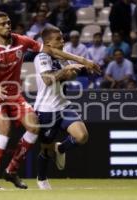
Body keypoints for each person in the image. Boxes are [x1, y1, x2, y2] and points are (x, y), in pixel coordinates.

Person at [0, 11, 100, 190]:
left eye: (9, 22)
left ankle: (11, 171)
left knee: (34, 127)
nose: (7, 26)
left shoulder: (22, 41)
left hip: (14, 94)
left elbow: (50, 50)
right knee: (5, 130)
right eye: (3, 24)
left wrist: (82, 60)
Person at [33, 26, 96, 189]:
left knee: (82, 136)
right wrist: (66, 70)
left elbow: (73, 74)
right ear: (48, 42)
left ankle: (61, 148)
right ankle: (42, 179)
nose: (63, 41)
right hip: (45, 109)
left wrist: (68, 70)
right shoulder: (41, 57)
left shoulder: (62, 56)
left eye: (62, 38)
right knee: (46, 150)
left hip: (63, 106)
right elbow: (48, 79)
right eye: (58, 39)